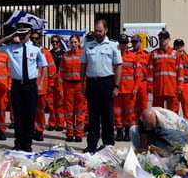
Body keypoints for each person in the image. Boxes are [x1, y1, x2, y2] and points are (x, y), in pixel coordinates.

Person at [0, 22, 48, 151]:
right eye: (20, 34)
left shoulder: (36, 48)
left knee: (29, 116)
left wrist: (40, 84)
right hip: (17, 85)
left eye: (24, 34)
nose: (22, 37)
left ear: (29, 34)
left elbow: (44, 66)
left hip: (30, 85)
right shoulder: (12, 47)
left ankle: (27, 144)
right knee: (18, 116)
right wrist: (8, 37)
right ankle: (18, 142)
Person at [80, 19, 122, 152]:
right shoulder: (88, 45)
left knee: (107, 116)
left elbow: (118, 66)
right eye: (96, 30)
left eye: (100, 30)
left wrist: (116, 86)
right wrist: (82, 84)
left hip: (107, 83)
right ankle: (91, 145)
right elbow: (83, 65)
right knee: (92, 116)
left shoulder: (113, 45)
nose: (98, 33)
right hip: (92, 83)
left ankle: (108, 145)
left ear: (106, 30)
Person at [60, 34, 86, 142]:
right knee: (69, 111)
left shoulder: (83, 55)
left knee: (80, 111)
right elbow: (60, 73)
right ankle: (70, 133)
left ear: (79, 43)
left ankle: (79, 134)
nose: (73, 44)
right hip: (68, 85)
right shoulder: (65, 56)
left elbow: (86, 72)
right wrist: (60, 88)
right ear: (69, 43)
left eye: (75, 42)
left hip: (80, 85)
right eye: (72, 42)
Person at [31, 31, 56, 142]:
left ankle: (39, 130)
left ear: (40, 40)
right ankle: (30, 130)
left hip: (42, 88)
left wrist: (50, 85)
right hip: (29, 86)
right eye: (32, 38)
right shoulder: (26, 50)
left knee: (40, 111)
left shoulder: (45, 53)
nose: (34, 40)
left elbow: (52, 70)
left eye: (36, 38)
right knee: (29, 110)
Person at [115, 34, 140, 141]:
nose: (123, 45)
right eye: (121, 43)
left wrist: (135, 88)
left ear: (127, 44)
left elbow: (138, 74)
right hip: (117, 88)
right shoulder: (114, 55)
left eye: (125, 43)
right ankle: (119, 132)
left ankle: (127, 133)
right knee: (117, 112)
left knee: (129, 112)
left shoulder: (133, 56)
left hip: (129, 90)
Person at [151, 30, 179, 113]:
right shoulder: (154, 54)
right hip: (158, 88)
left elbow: (180, 72)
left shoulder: (175, 54)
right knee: (158, 112)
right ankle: (159, 126)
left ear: (169, 39)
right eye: (160, 38)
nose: (162, 40)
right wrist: (150, 86)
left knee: (173, 112)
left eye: (164, 38)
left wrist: (180, 86)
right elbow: (150, 72)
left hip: (172, 88)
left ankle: (172, 126)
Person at [130, 34, 152, 129]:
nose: (134, 44)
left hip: (143, 82)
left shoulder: (146, 55)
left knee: (143, 105)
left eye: (136, 42)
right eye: (133, 42)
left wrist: (149, 84)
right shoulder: (129, 54)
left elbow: (150, 70)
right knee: (132, 105)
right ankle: (133, 126)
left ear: (140, 43)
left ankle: (143, 125)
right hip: (132, 83)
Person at [174, 38, 188, 122]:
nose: (179, 47)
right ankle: (174, 127)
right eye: (177, 45)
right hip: (174, 85)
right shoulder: (172, 57)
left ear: (183, 46)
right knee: (174, 107)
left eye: (180, 45)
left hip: (185, 85)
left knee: (186, 107)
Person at [47, 34, 65, 131]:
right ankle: (52, 123)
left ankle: (60, 123)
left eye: (56, 42)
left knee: (60, 104)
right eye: (53, 42)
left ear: (59, 43)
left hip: (60, 81)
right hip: (50, 81)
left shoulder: (63, 54)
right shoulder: (49, 54)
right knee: (51, 104)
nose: (54, 43)